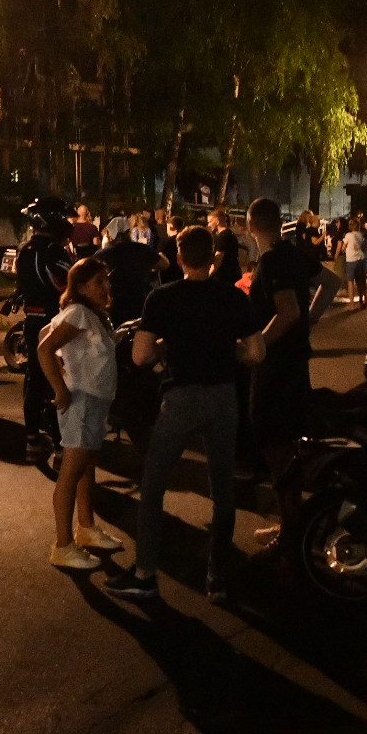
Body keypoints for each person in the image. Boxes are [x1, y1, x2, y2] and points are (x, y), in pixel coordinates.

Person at [116, 226, 265, 603]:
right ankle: (217, 576)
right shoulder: (233, 298)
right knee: (223, 490)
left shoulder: (162, 299)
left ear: (180, 257)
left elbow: (139, 356)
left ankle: (146, 572)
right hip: (223, 398)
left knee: (153, 487)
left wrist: (167, 349)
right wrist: (228, 351)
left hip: (180, 398)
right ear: (214, 257)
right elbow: (256, 352)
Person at [38, 259, 123, 570]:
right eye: (99, 281)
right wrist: (60, 389)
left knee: (86, 469)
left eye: (107, 280)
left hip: (94, 401)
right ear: (82, 286)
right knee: (70, 475)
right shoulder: (79, 313)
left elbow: (45, 334)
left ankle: (86, 529)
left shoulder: (89, 314)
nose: (106, 287)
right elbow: (45, 347)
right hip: (83, 402)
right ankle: (63, 545)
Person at [246, 198, 325, 525]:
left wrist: (258, 344)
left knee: (274, 446)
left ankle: (290, 532)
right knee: (289, 445)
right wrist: (312, 317)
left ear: (251, 226)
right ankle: (292, 525)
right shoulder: (294, 254)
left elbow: (289, 310)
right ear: (280, 223)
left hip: (275, 366)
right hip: (296, 361)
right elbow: (330, 283)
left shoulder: (271, 262)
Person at [14, 198, 76, 459]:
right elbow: (69, 285)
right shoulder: (53, 251)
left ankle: (32, 439)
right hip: (54, 321)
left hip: (32, 321)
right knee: (57, 380)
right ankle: (62, 446)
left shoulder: (25, 249)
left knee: (35, 378)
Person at [96, 216, 168, 326]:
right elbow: (164, 265)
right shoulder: (141, 249)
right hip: (139, 296)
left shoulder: (102, 254)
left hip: (113, 301)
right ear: (129, 232)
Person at [209, 205, 243, 288]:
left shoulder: (222, 237)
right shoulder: (230, 234)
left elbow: (217, 260)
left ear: (217, 221)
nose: (208, 224)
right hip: (233, 275)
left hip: (224, 278)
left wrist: (207, 276)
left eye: (210, 222)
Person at [341, 217, 367, 307]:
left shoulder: (348, 235)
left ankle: (352, 303)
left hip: (351, 260)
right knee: (360, 281)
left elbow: (343, 247)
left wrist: (344, 250)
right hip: (360, 259)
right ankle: (363, 299)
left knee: (350, 281)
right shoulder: (360, 235)